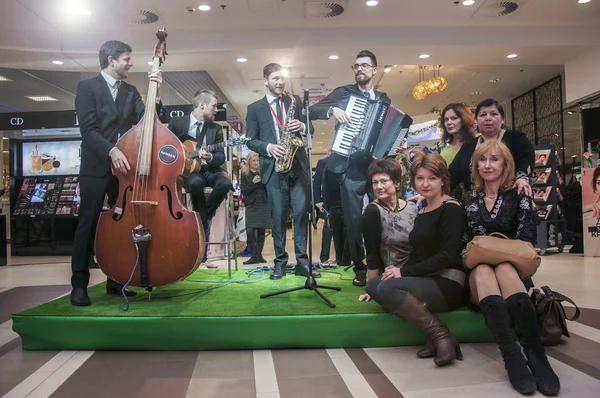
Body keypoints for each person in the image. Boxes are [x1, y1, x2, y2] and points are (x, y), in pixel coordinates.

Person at [463, 140, 559, 396]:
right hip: (478, 279)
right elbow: (464, 244)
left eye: (494, 159)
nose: (487, 165)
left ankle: (536, 355)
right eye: (482, 160)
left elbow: (526, 241)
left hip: (512, 275)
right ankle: (512, 356)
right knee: (484, 269)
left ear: (506, 164)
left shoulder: (519, 194)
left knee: (504, 267)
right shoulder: (469, 198)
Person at [71, 40, 162, 306]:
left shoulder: (132, 91)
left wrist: (156, 93)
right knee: (87, 224)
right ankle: (79, 284)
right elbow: (88, 131)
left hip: (124, 171)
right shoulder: (86, 88)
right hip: (96, 167)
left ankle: (116, 278)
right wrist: (112, 151)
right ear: (111, 60)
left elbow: (149, 121)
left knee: (123, 225)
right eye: (126, 58)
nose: (130, 63)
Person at [362, 154, 467, 367]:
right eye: (420, 178)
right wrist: (398, 270)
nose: (425, 184)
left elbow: (448, 255)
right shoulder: (423, 209)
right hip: (428, 278)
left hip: (449, 281)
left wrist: (404, 272)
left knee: (387, 289)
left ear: (443, 180)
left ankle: (440, 334)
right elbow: (418, 253)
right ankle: (432, 334)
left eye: (432, 178)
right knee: (374, 285)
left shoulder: (452, 208)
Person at [310, 50, 391, 286]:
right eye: (356, 66)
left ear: (374, 70)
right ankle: (360, 269)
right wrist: (331, 110)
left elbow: (388, 128)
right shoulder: (343, 93)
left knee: (383, 216)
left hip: (375, 166)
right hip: (349, 166)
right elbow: (311, 110)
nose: (359, 69)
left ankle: (384, 264)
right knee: (354, 220)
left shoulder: (383, 99)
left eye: (365, 66)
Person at [246, 63, 318, 280]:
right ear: (265, 81)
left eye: (282, 78)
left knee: (300, 215)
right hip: (274, 168)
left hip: (298, 166)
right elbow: (250, 140)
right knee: (278, 218)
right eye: (275, 78)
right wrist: (269, 147)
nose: (280, 82)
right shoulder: (255, 108)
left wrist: (303, 127)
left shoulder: (293, 101)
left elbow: (311, 129)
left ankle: (303, 263)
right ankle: (280, 262)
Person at [168, 89, 233, 237]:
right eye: (214, 106)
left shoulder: (216, 129)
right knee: (196, 183)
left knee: (225, 184)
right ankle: (203, 221)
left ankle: (205, 216)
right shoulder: (177, 123)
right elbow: (167, 148)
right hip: (188, 171)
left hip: (210, 169)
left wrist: (210, 157)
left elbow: (221, 157)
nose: (216, 110)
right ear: (202, 104)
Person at [449, 98, 534, 197]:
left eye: (493, 114)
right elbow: (452, 174)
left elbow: (526, 159)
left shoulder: (515, 138)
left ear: (502, 119)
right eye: (483, 115)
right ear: (476, 121)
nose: (488, 118)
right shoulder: (468, 147)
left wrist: (521, 178)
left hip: (511, 199)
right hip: (475, 203)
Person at [239, 151, 272, 264]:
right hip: (251, 205)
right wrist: (253, 183)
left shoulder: (263, 173)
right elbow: (244, 191)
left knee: (261, 230)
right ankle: (254, 256)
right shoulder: (245, 175)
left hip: (263, 204)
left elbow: (268, 188)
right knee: (250, 230)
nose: (256, 162)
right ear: (249, 162)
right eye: (253, 160)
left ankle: (259, 256)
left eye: (257, 160)